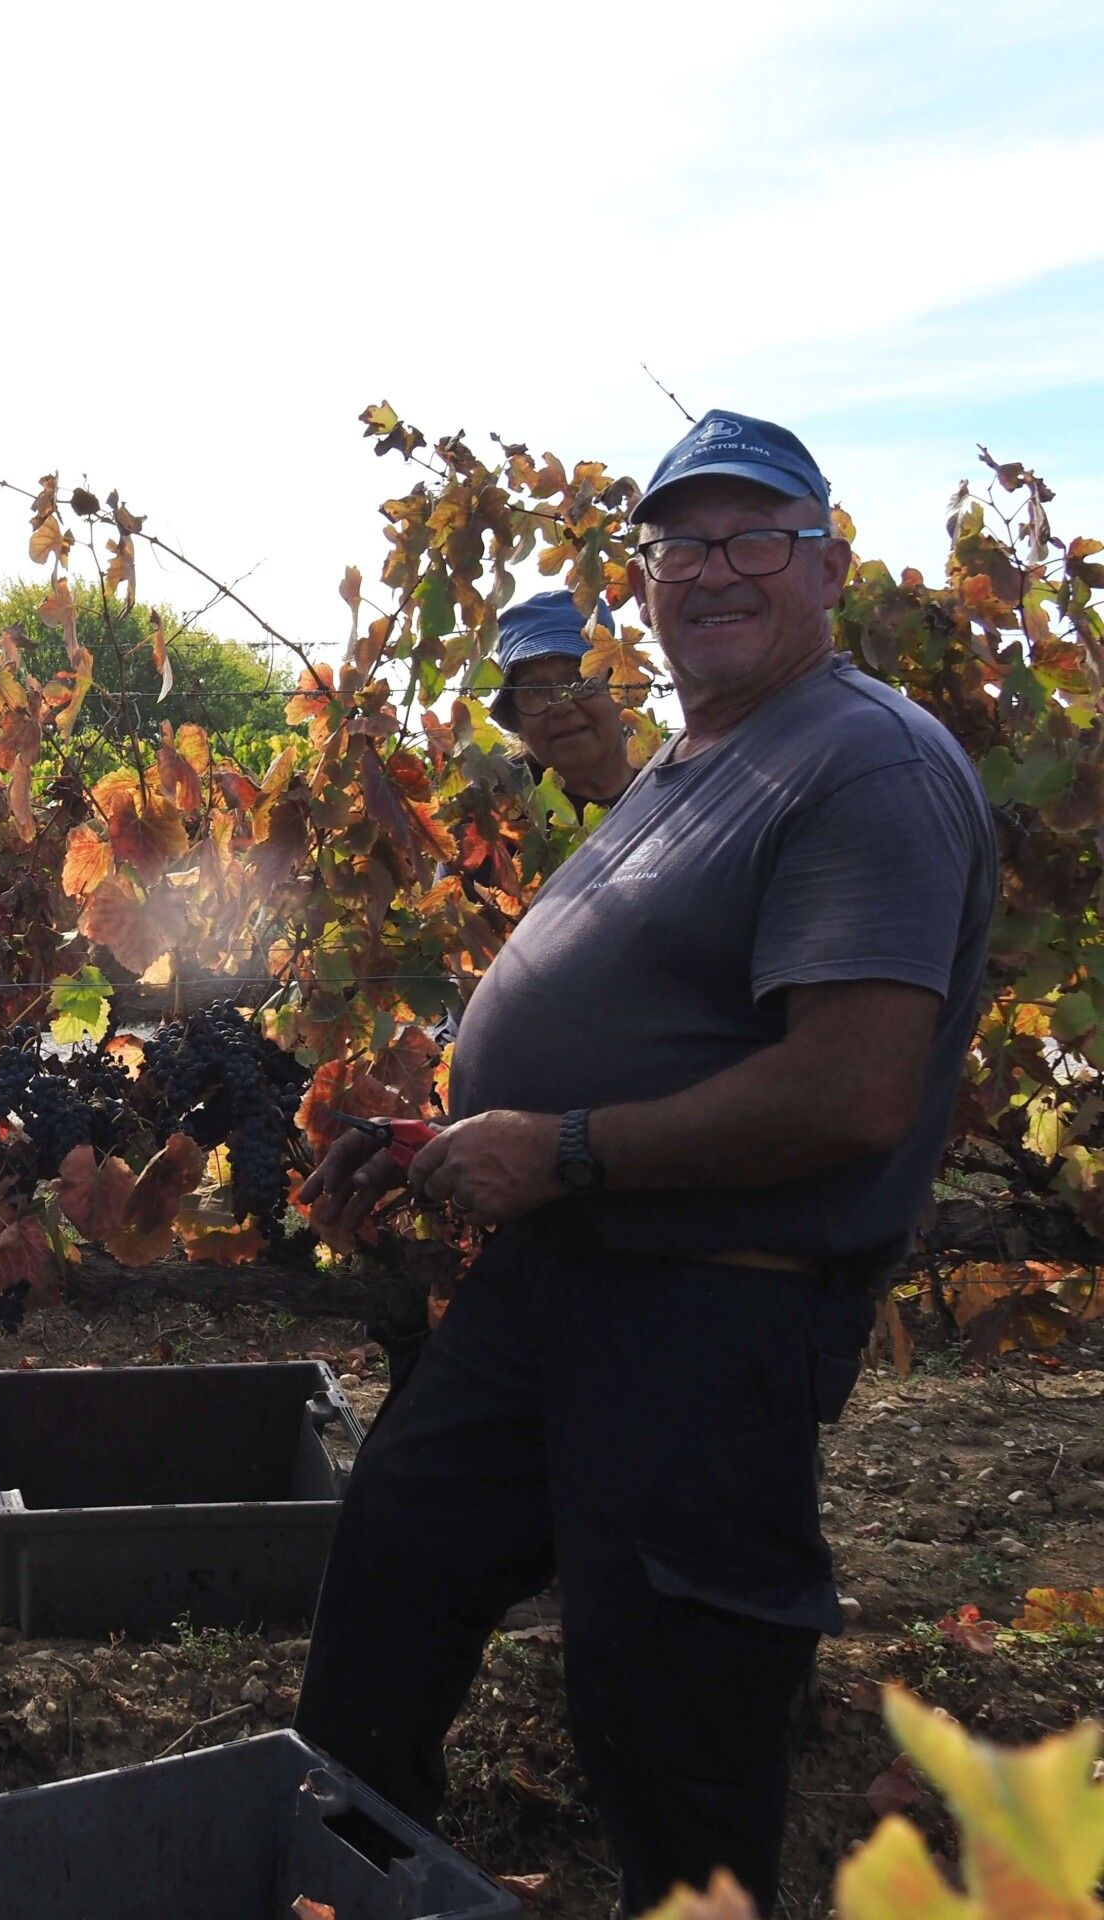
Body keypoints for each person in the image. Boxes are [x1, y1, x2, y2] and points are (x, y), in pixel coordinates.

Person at [293, 412, 996, 1914]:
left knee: (672, 1722)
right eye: (683, 544)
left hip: (705, 1317)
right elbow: (640, 1016)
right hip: (563, 1286)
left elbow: (853, 1089)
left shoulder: (862, 760)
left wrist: (565, 1149)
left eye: (755, 538)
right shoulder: (699, 760)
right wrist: (450, 1145)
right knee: (395, 1578)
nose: (712, 572)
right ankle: (350, 1890)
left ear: (829, 561)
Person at [491, 588, 639, 807]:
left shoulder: (680, 785)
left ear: (619, 687)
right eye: (534, 689)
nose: (561, 706)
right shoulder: (492, 818)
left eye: (580, 679)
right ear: (515, 719)